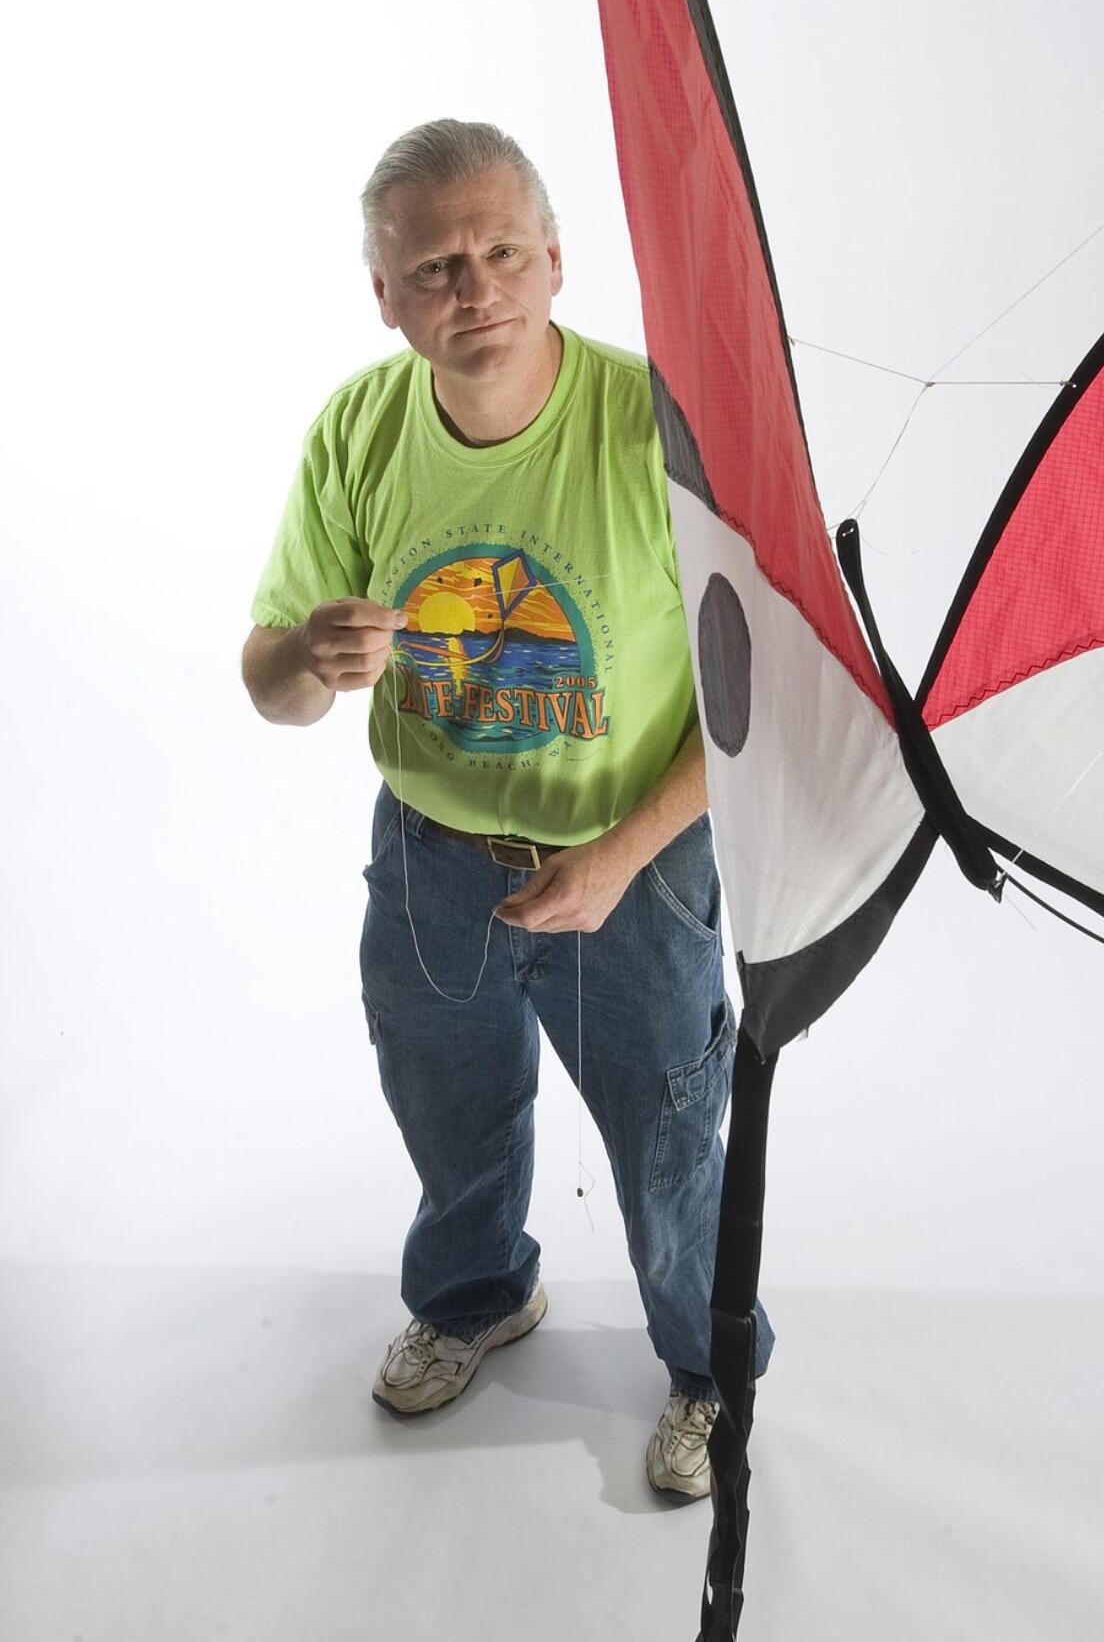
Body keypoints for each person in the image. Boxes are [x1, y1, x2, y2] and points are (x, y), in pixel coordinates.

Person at [241, 119, 773, 1499]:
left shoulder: (650, 426)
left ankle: (713, 1373)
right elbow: (269, 682)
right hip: (428, 856)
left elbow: (761, 696)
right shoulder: (359, 428)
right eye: (431, 268)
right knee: (451, 1106)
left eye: (496, 254)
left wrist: (616, 855)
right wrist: (307, 657)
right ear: (383, 293)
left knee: (668, 1140)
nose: (470, 291)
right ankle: (475, 1295)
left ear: (553, 261)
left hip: (633, 863)